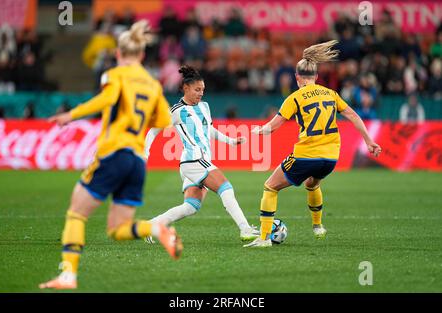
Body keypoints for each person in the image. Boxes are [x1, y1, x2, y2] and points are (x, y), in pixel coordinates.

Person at [39, 20, 183, 290]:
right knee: (117, 229)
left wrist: (70, 115)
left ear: (118, 53)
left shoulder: (114, 75)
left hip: (113, 152)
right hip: (137, 160)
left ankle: (68, 275)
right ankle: (156, 229)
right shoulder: (153, 85)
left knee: (76, 213)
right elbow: (164, 120)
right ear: (141, 55)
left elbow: (105, 100)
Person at [244, 40, 382, 247]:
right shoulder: (331, 93)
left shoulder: (295, 97)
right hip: (331, 157)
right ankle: (318, 227)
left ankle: (264, 238)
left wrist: (257, 130)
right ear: (316, 77)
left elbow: (273, 127)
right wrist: (369, 140)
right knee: (312, 183)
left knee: (270, 187)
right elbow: (352, 115)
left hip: (306, 154)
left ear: (297, 77)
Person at [144, 65, 259, 242]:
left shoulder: (204, 106)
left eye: (203, 90)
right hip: (193, 160)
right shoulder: (176, 111)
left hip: (198, 162)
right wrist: (146, 153)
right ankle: (245, 229)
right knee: (226, 188)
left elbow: (209, 129)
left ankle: (152, 225)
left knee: (191, 206)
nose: (200, 93)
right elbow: (153, 131)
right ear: (186, 88)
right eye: (197, 89)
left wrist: (230, 141)